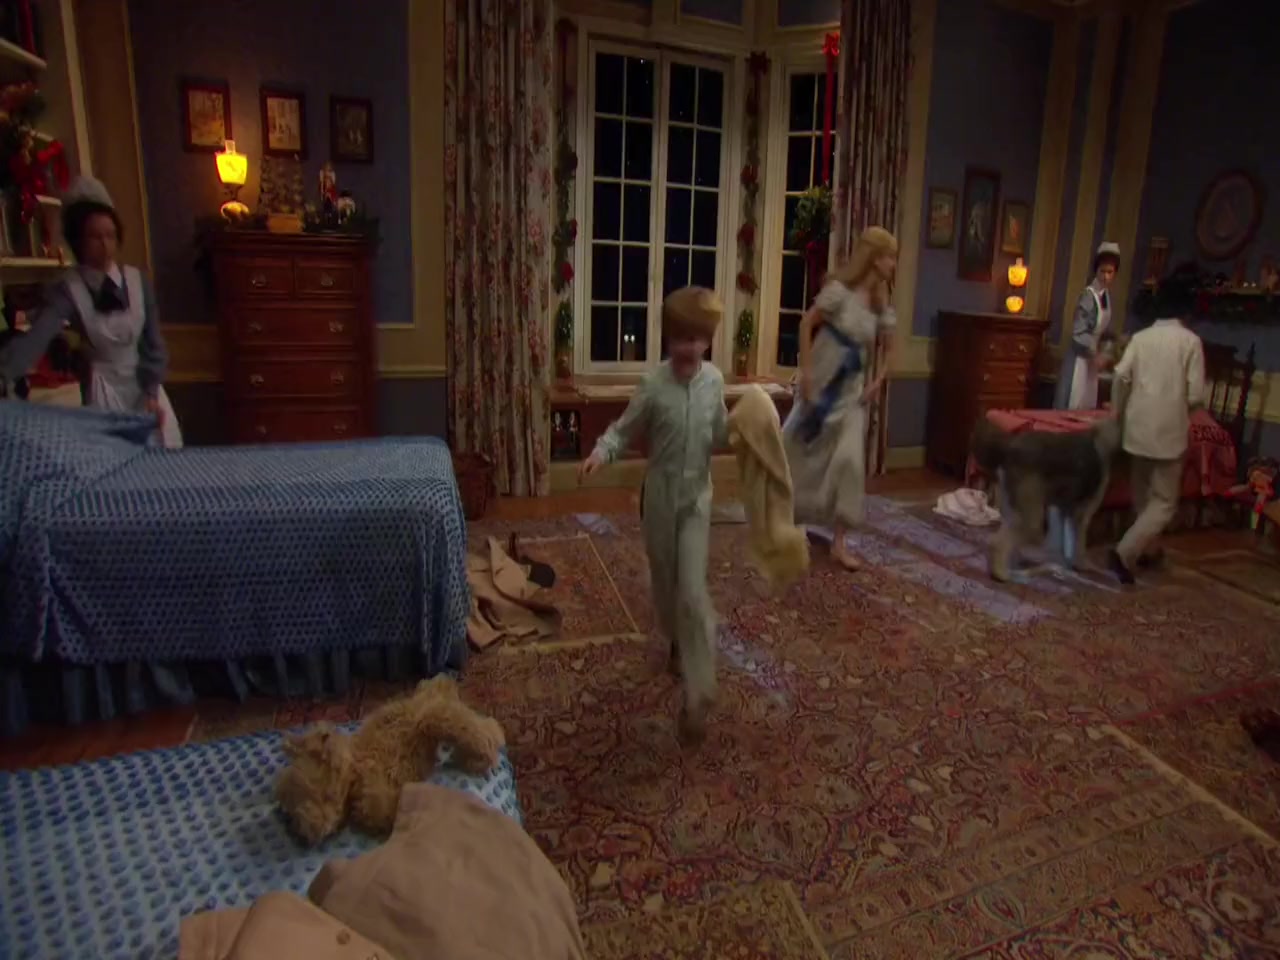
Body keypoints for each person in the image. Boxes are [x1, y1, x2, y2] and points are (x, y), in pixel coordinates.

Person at [579, 286, 728, 743]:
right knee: (667, 589)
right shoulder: (653, 385)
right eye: (679, 337)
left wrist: (757, 434)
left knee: (693, 590)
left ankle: (698, 693)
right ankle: (676, 640)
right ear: (668, 338)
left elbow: (723, 434)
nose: (687, 347)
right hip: (659, 500)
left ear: (708, 340)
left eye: (696, 338)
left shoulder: (715, 383)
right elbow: (623, 431)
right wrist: (601, 452)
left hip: (698, 501)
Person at [0, 176, 182, 447]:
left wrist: (151, 390)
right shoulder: (69, 289)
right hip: (102, 389)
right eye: (95, 237)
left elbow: (153, 343)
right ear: (79, 241)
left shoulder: (137, 281)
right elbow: (39, 335)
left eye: (110, 236)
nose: (105, 245)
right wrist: (5, 370)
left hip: (144, 387)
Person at [783, 225, 898, 571]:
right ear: (874, 258)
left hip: (851, 390)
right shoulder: (839, 293)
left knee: (849, 461)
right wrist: (805, 373)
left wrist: (879, 379)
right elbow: (806, 324)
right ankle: (793, 521)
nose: (893, 264)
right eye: (890, 257)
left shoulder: (879, 304)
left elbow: (891, 346)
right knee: (805, 454)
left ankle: (839, 542)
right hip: (822, 380)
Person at [1107, 277, 1205, 584]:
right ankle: (1125, 551)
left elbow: (1120, 376)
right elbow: (1195, 395)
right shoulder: (1190, 342)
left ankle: (1147, 551)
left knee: (1142, 496)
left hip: (1136, 427)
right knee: (1163, 501)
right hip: (1168, 430)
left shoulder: (1141, 338)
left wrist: (1119, 411)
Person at [1054, 241, 1121, 411]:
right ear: (1096, 271)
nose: (1106, 277)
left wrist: (1108, 350)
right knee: (1073, 401)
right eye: (1102, 271)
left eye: (1110, 272)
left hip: (1091, 361)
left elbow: (1103, 330)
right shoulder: (1088, 296)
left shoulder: (1105, 295)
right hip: (1080, 358)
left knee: (1087, 404)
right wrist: (1094, 354)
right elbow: (1079, 332)